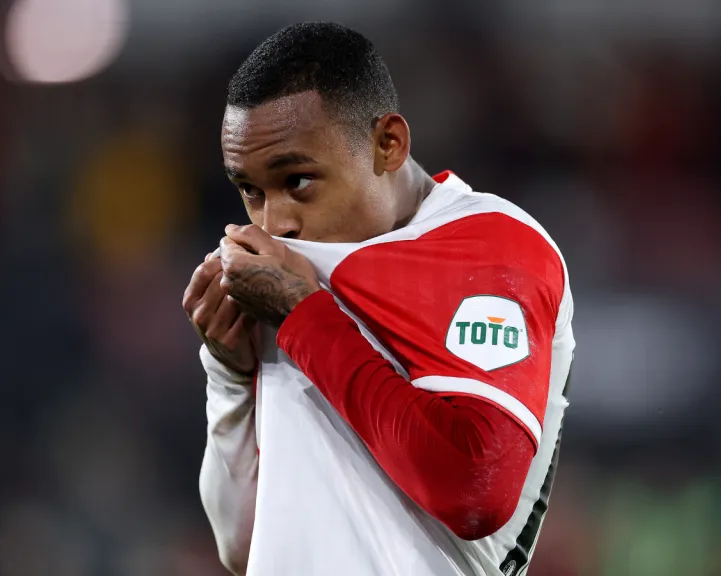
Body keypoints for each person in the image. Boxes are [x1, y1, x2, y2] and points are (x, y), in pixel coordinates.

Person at [182, 22, 574, 576]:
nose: (275, 222)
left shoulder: (490, 246)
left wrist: (304, 315)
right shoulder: (284, 277)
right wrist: (226, 373)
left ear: (387, 144)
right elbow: (244, 545)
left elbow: (474, 489)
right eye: (250, 190)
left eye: (297, 181)